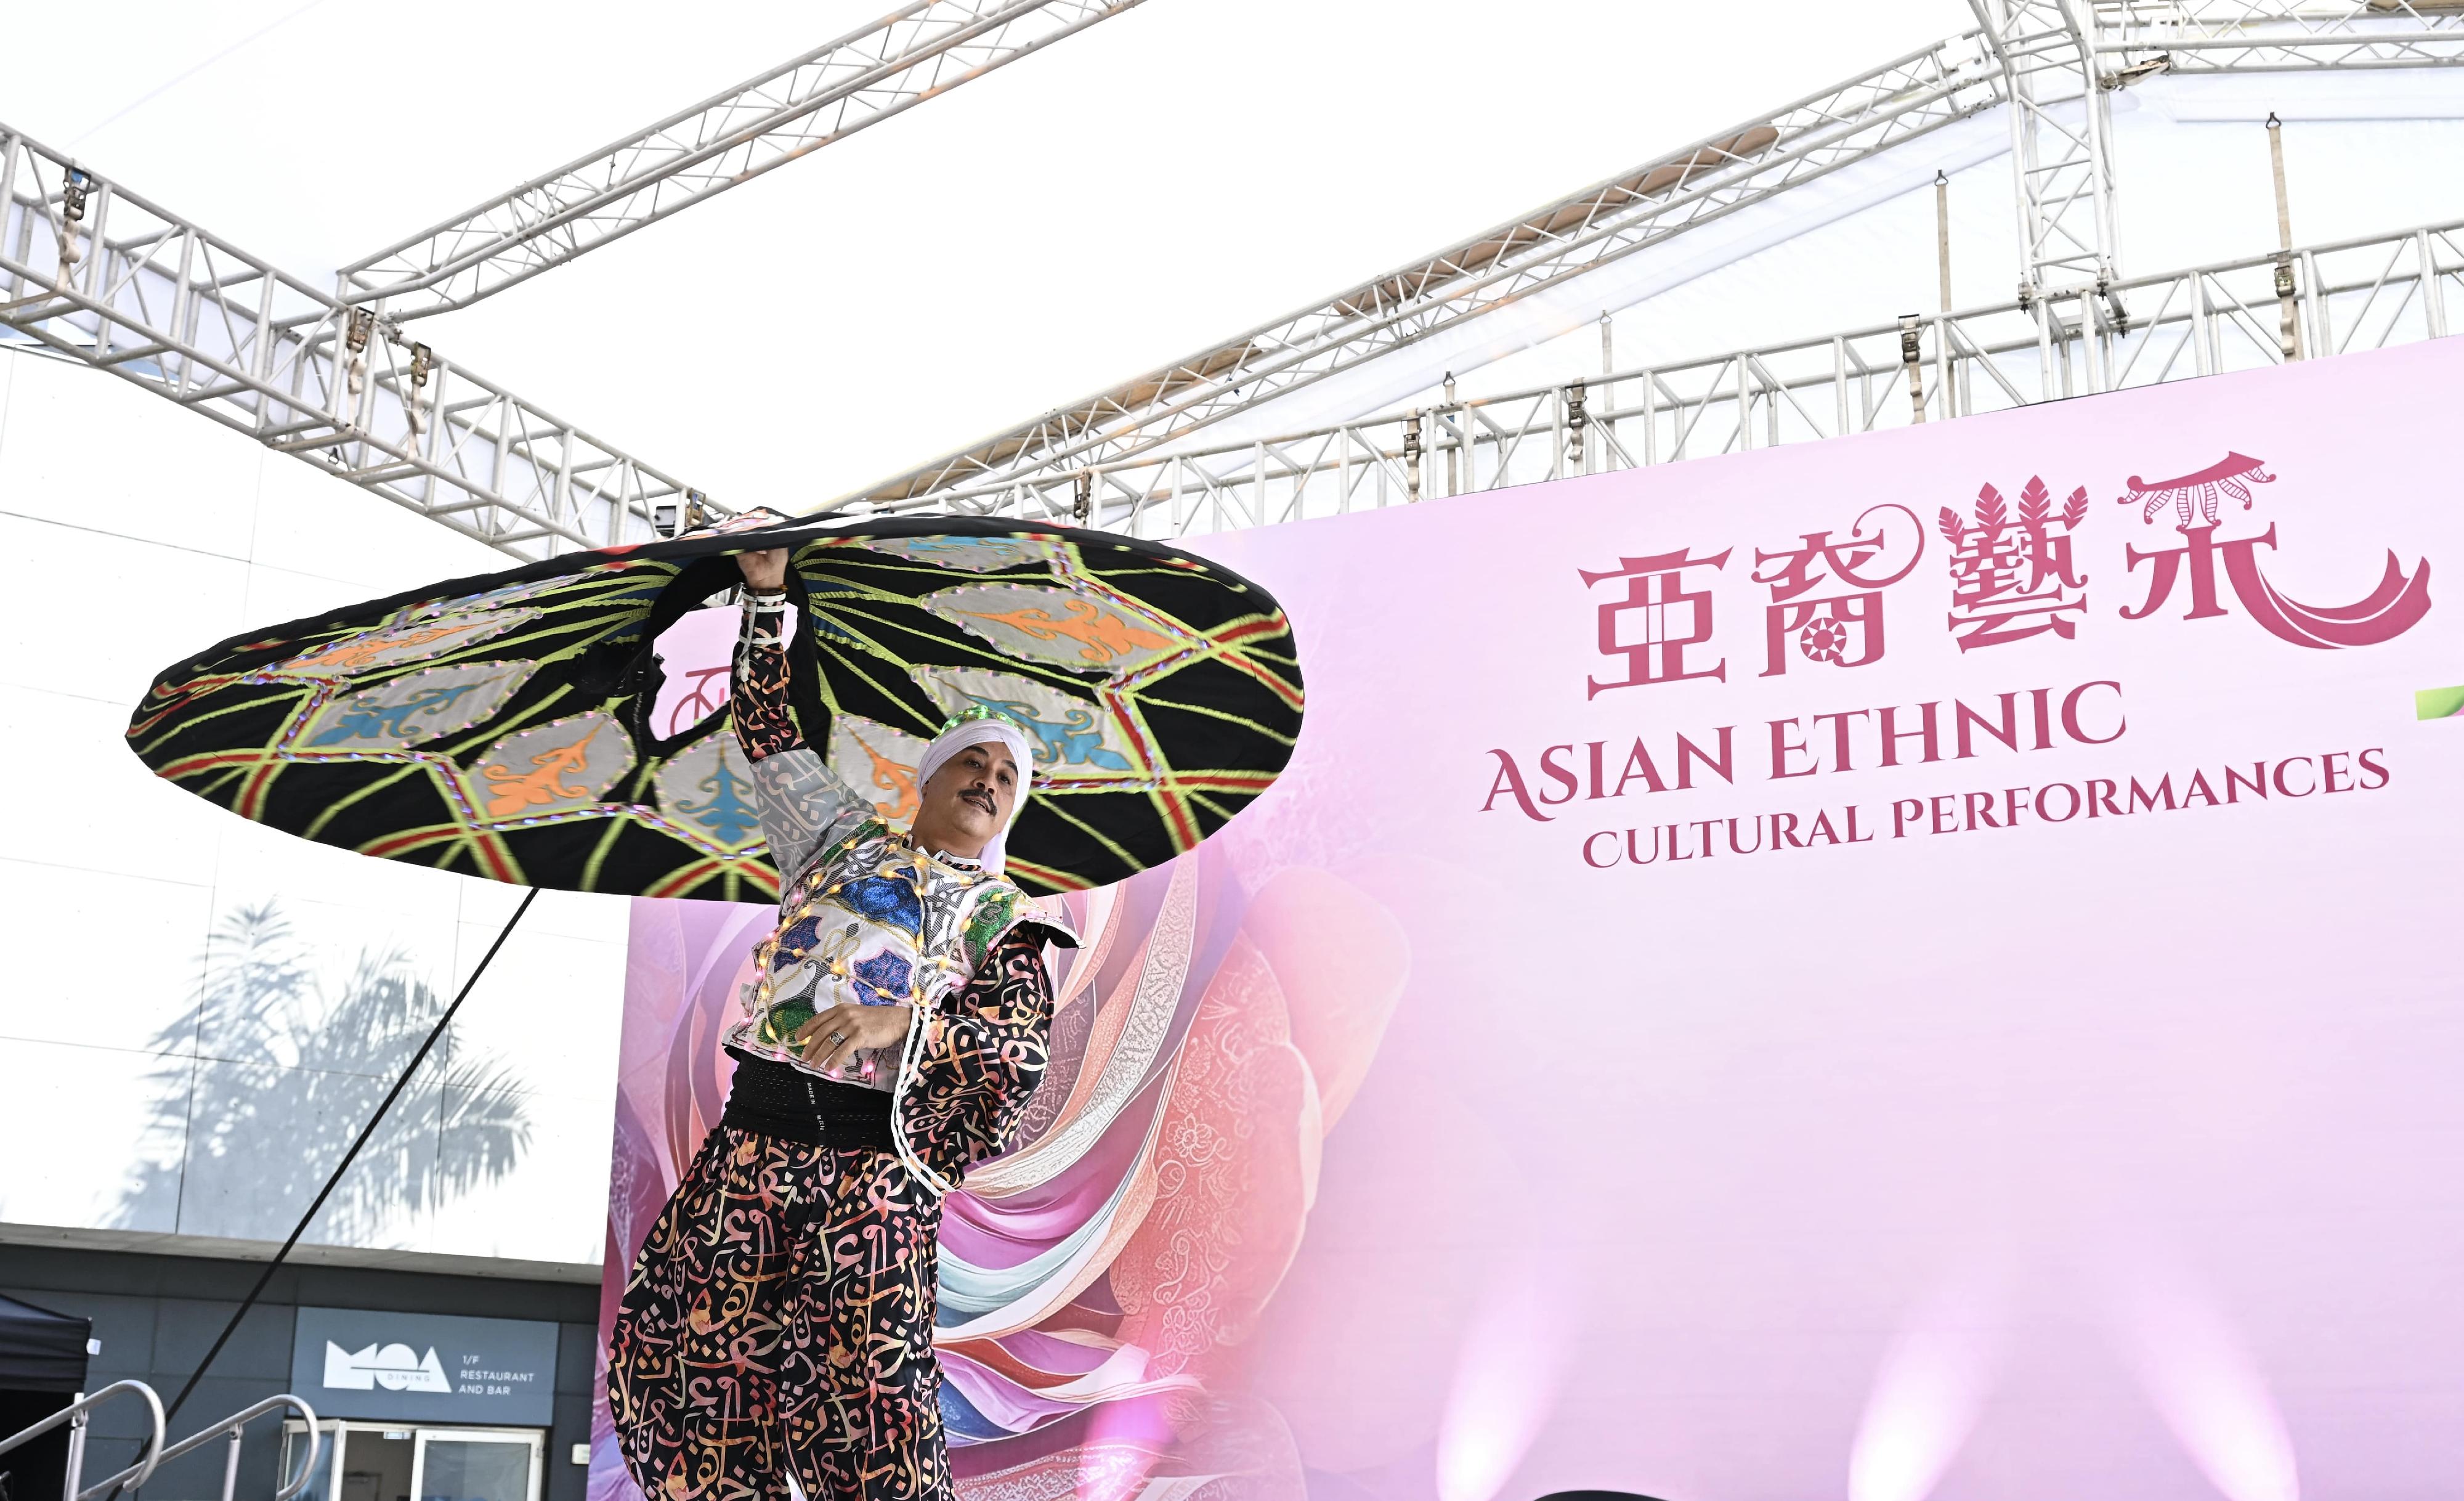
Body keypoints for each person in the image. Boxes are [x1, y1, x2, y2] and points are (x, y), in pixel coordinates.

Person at [607, 547, 1074, 1501]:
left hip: (878, 1170)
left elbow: (1017, 1054)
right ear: (931, 779)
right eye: (972, 764)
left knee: (874, 1408)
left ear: (1012, 811)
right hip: (758, 1138)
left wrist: (902, 1026)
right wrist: (768, 597)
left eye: (1006, 779)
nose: (988, 781)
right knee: (679, 1356)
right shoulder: (836, 839)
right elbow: (768, 727)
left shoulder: (1010, 922)